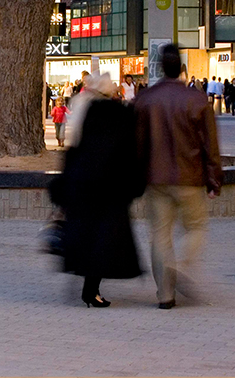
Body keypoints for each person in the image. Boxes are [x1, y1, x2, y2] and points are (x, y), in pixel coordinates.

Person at [134, 43, 223, 309]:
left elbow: (137, 143)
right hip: (189, 176)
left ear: (161, 67)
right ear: (182, 69)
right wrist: (214, 178)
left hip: (156, 177)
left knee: (160, 235)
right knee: (196, 227)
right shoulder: (196, 99)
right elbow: (210, 144)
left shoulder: (145, 99)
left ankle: (165, 294)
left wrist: (138, 176)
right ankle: (182, 262)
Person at [49, 73, 142, 307]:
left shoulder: (85, 111)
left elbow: (73, 149)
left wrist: (65, 183)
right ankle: (91, 291)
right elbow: (131, 153)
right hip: (111, 188)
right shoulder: (122, 114)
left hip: (84, 184)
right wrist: (135, 184)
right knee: (104, 240)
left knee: (87, 236)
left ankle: (89, 289)